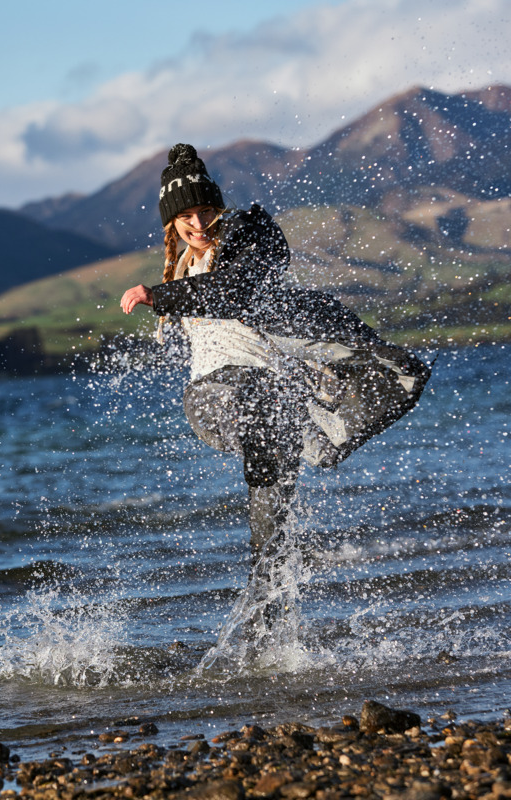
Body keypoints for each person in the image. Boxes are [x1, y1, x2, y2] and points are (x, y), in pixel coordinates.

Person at [121, 143, 431, 575]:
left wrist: (159, 296)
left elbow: (236, 290)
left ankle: (272, 619)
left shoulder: (248, 240)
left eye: (207, 211)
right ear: (172, 222)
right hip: (216, 395)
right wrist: (164, 293)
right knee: (263, 403)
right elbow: (216, 299)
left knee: (272, 553)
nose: (199, 224)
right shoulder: (181, 270)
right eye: (186, 216)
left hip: (275, 401)